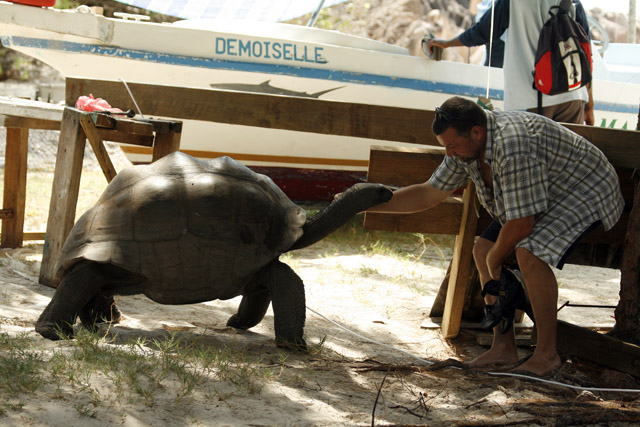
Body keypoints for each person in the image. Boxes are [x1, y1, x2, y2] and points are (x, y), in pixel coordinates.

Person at [368, 96, 624, 376]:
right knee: (482, 250)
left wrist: (496, 259)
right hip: (543, 189)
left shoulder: (513, 146)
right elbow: (429, 193)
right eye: (446, 146)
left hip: (584, 188)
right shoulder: (465, 147)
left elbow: (522, 224)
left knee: (529, 253)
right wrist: (368, 204)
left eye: (452, 145)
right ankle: (503, 348)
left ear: (477, 132)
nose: (449, 153)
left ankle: (547, 355)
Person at [425, 0, 594, 126]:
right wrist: (589, 104)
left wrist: (446, 43)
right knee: (568, 166)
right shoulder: (573, 1)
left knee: (529, 166)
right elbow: (586, 52)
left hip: (531, 100)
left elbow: (482, 33)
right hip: (573, 98)